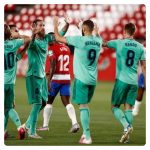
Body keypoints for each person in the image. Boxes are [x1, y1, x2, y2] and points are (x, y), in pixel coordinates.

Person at [53, 17, 103, 144]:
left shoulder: (80, 40)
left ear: (84, 29)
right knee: (85, 106)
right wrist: (82, 24)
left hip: (81, 78)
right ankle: (85, 135)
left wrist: (55, 24)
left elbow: (58, 38)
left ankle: (87, 136)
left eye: (82, 28)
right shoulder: (98, 41)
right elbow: (96, 32)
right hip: (93, 80)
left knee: (82, 107)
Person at [23, 18, 70, 139]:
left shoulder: (46, 39)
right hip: (33, 76)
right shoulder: (31, 41)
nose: (43, 27)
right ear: (34, 26)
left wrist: (67, 24)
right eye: (40, 25)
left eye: (44, 25)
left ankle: (27, 125)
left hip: (42, 76)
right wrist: (33, 33)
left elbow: (61, 34)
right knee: (38, 103)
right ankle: (32, 131)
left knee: (44, 102)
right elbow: (30, 43)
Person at [103, 23, 146, 143]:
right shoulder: (140, 47)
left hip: (122, 80)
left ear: (124, 31)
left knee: (114, 106)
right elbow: (144, 66)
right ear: (134, 32)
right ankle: (127, 136)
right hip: (134, 82)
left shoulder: (119, 43)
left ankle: (127, 126)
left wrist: (94, 34)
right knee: (128, 108)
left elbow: (104, 43)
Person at [37, 33, 80, 133]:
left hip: (56, 79)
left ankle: (45, 125)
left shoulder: (52, 48)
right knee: (67, 102)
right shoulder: (66, 47)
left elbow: (53, 64)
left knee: (48, 102)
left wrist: (49, 80)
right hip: (66, 78)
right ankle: (75, 123)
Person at [4, 24, 30, 140]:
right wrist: (16, 36)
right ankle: (19, 127)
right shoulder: (14, 44)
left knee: (5, 108)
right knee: (8, 108)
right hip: (10, 83)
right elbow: (28, 39)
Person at [132, 36, 146, 116]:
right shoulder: (140, 50)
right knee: (140, 90)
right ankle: (135, 109)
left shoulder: (144, 49)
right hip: (144, 73)